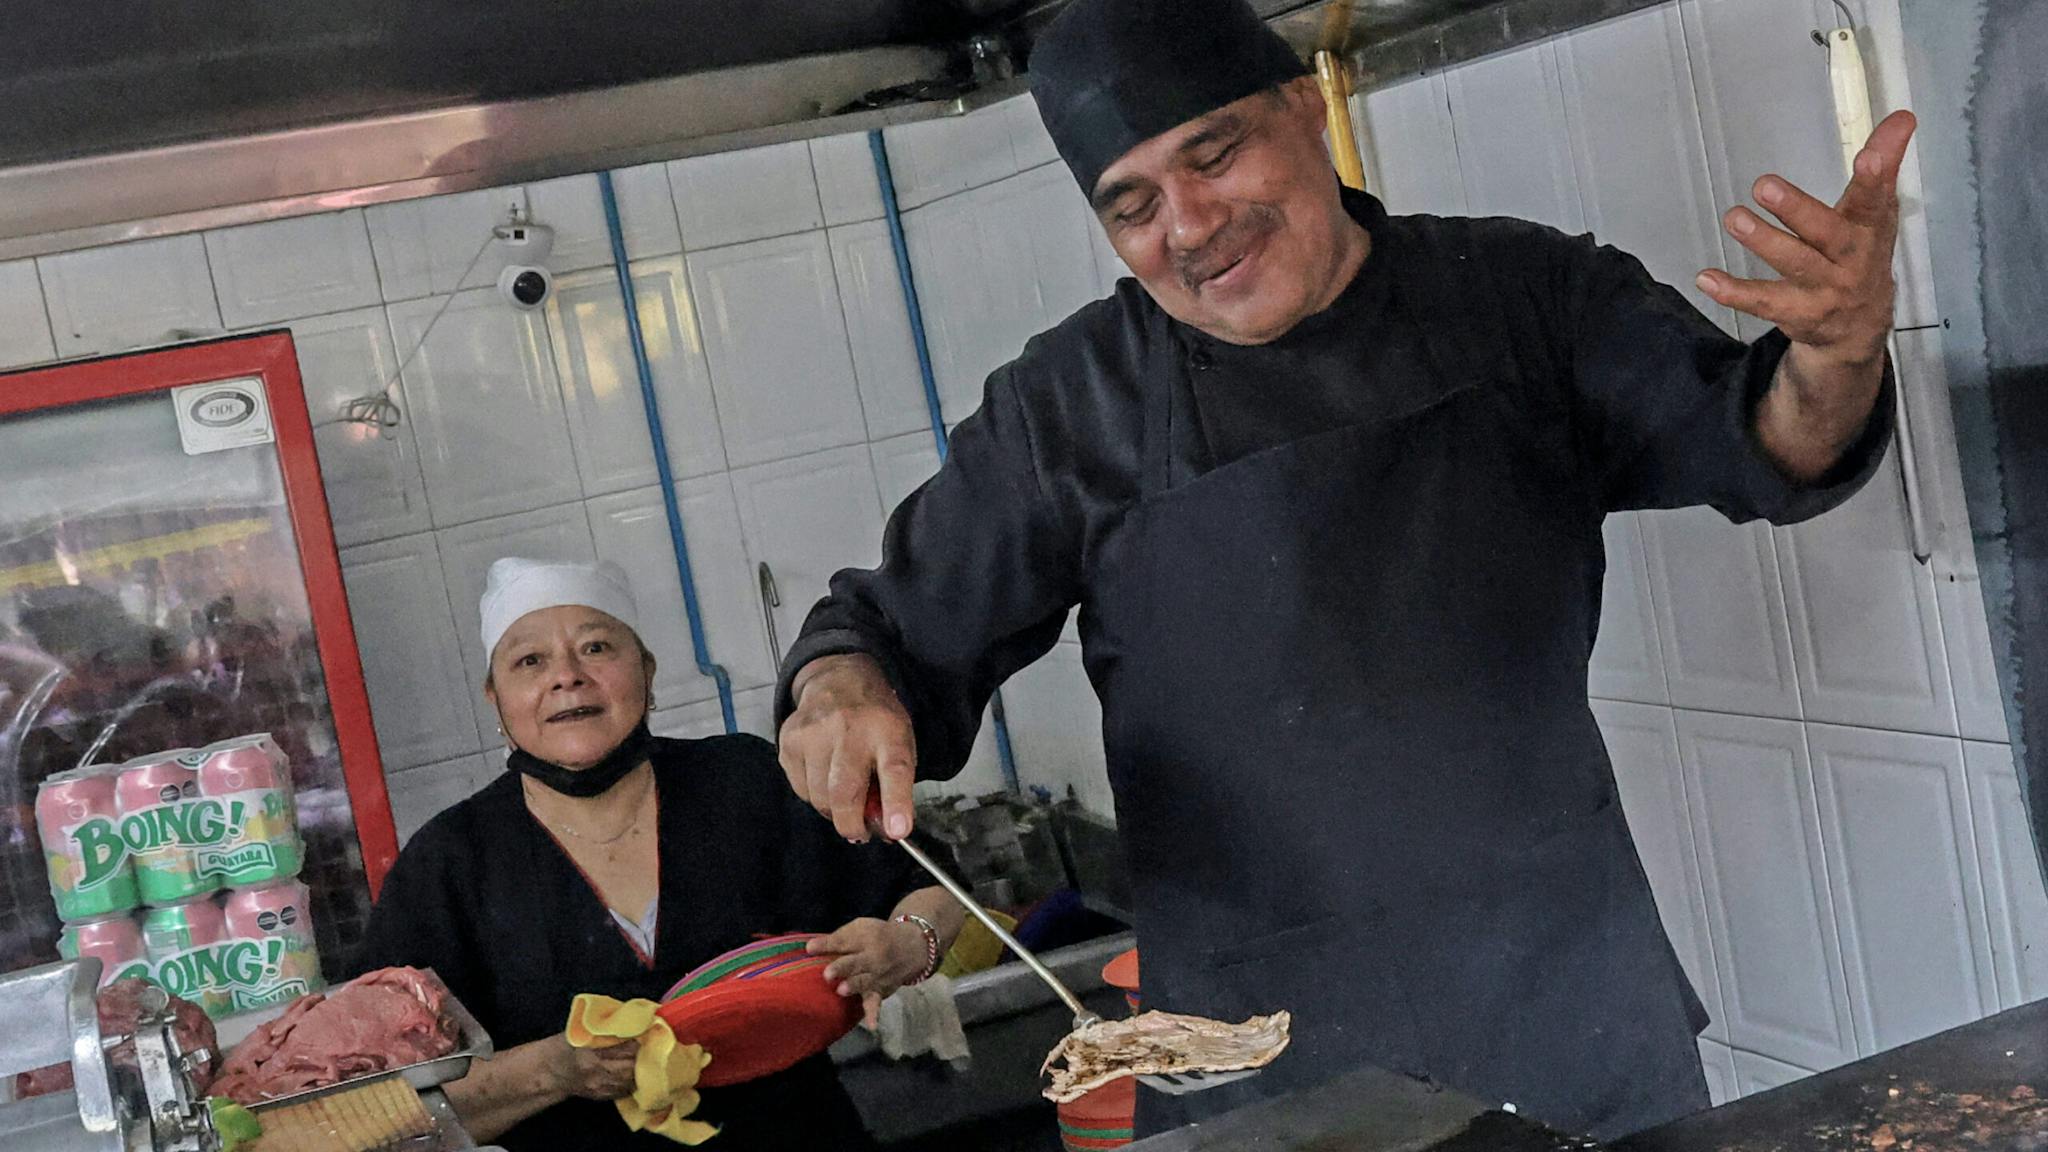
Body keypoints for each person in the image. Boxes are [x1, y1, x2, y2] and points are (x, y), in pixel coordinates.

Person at [774, 0, 1911, 1140]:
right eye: (1134, 205)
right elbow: (881, 634)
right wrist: (839, 690)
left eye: (1213, 154)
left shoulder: (1521, 294)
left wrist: (1838, 352)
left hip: (1565, 1003)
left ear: (1305, 108)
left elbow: (1766, 442)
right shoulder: (1067, 407)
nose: (1190, 225)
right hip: (1255, 1056)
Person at [354, 558, 962, 1151]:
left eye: (596, 648)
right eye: (530, 661)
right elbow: (378, 1103)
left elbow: (936, 886)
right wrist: (552, 1070)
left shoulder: (745, 780)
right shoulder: (449, 864)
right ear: (496, 699)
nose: (567, 677)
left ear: (646, 670)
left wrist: (907, 944)